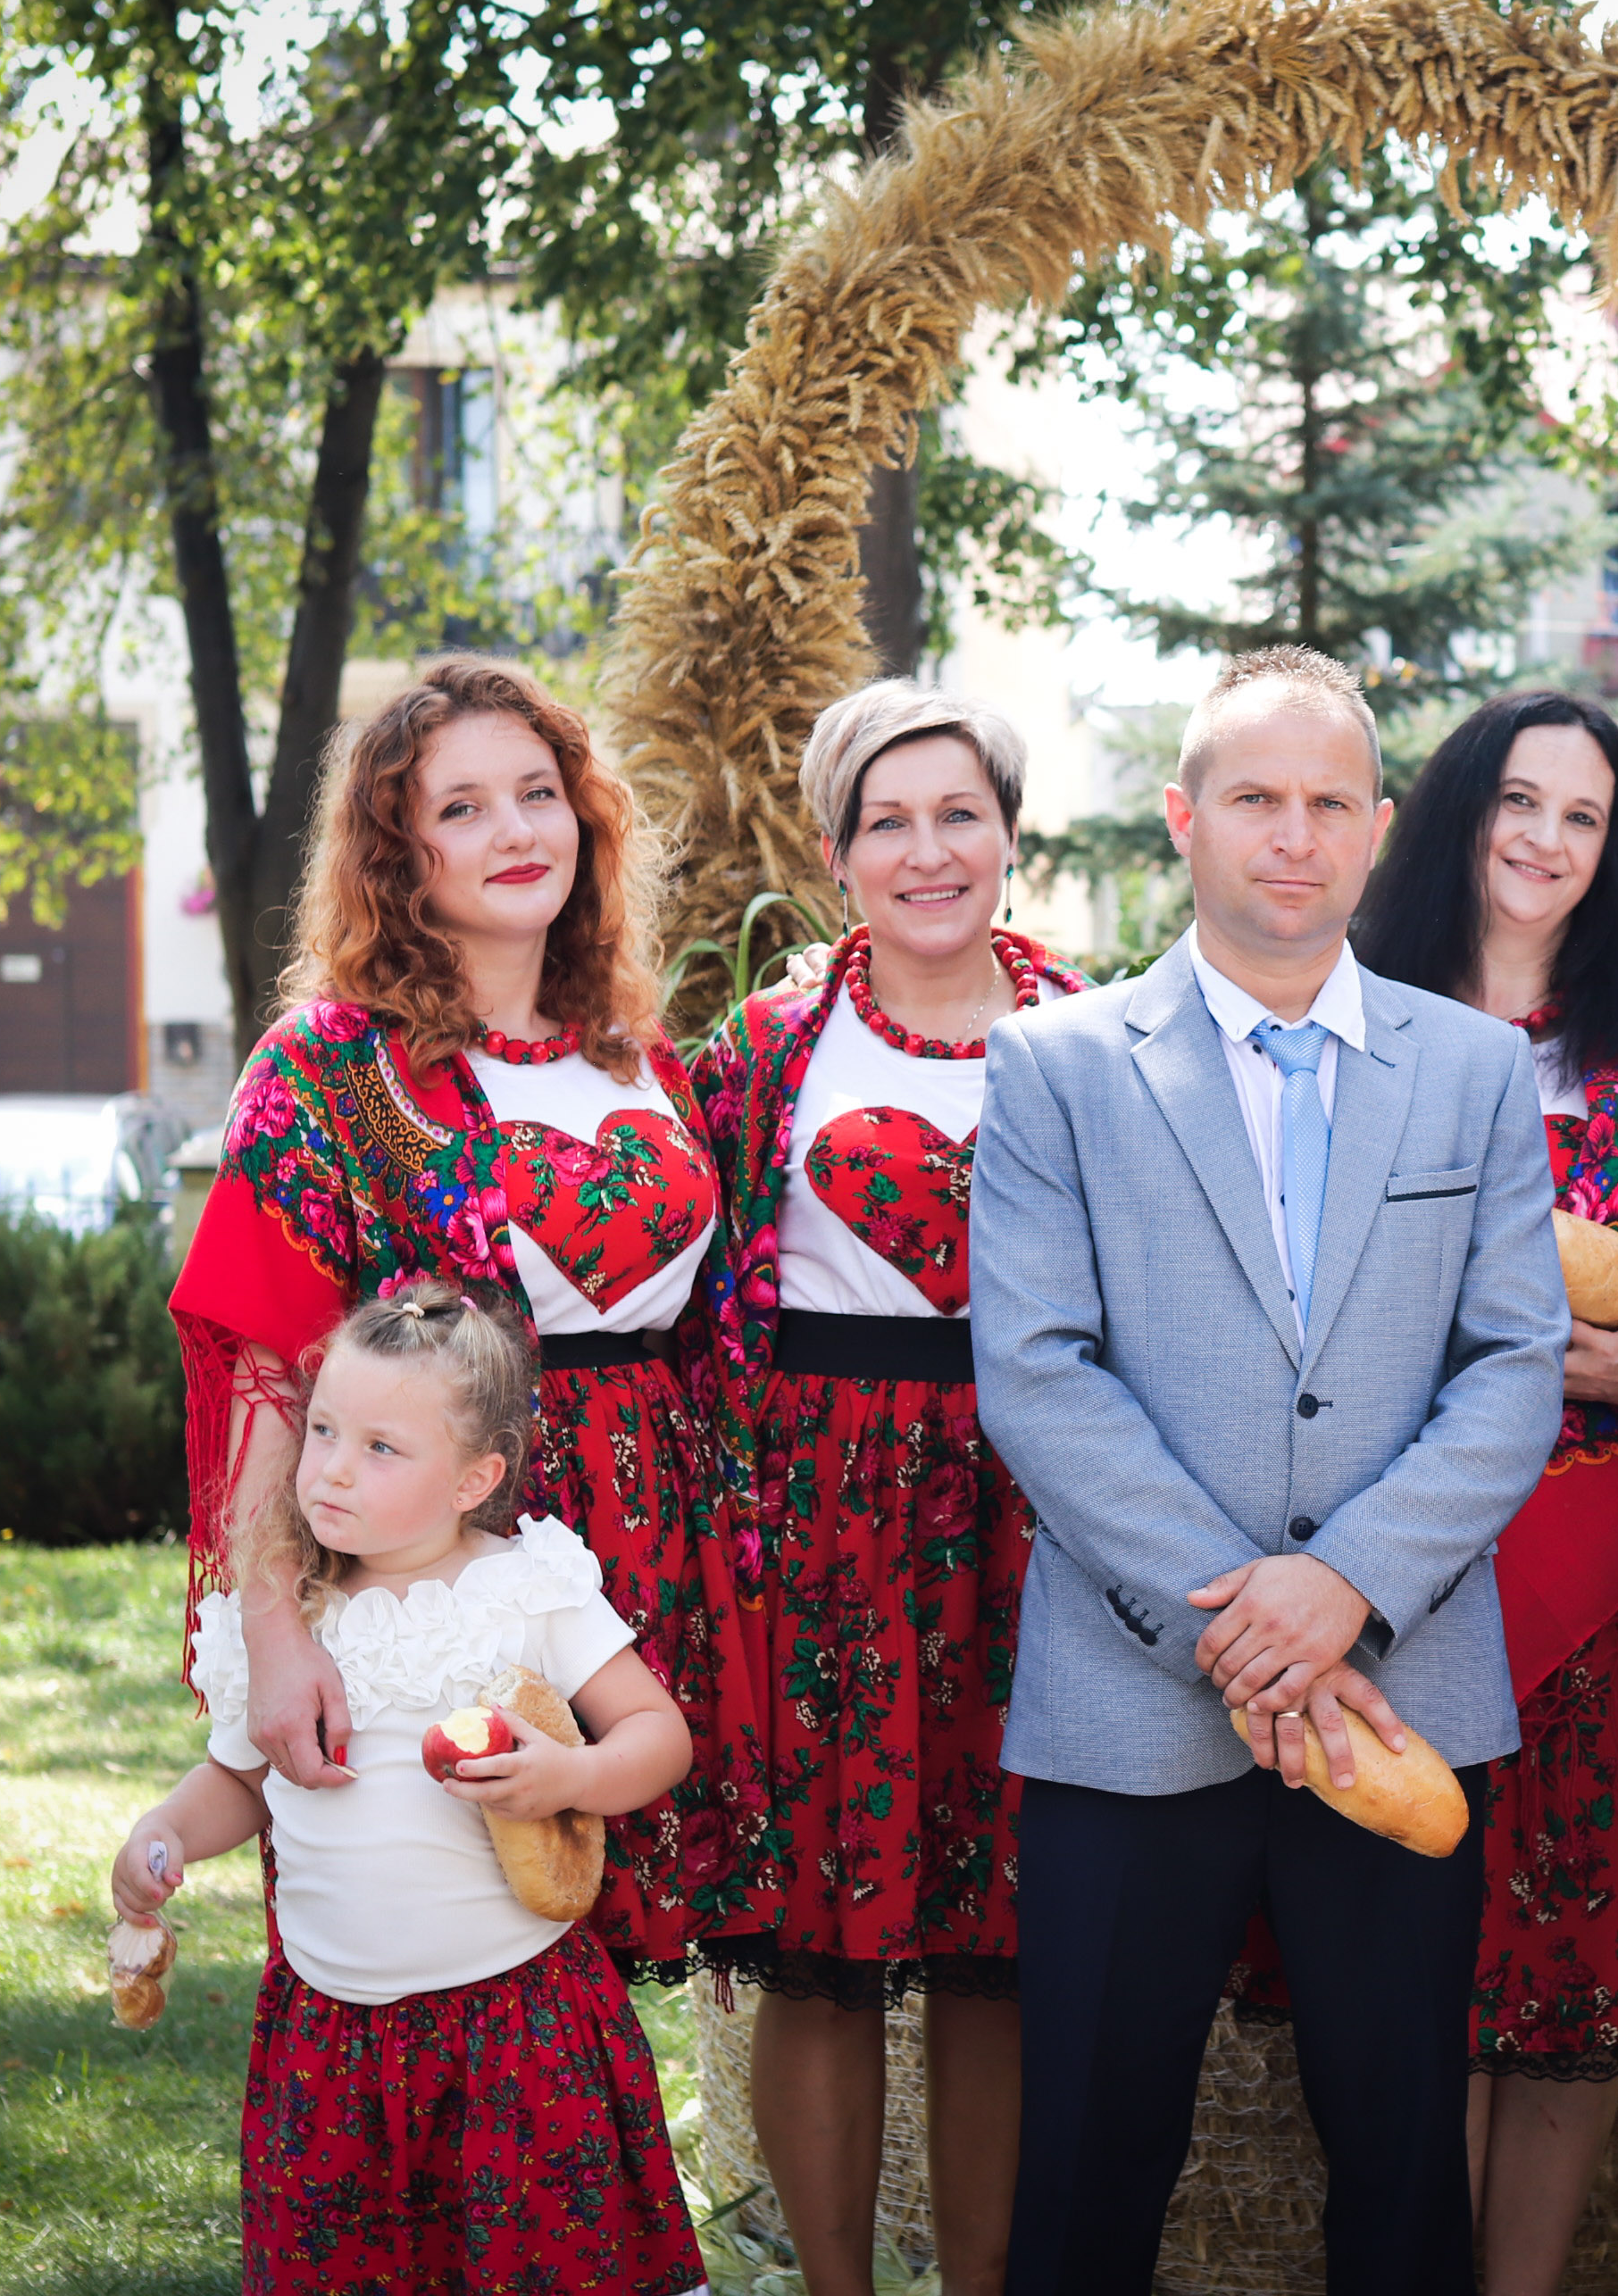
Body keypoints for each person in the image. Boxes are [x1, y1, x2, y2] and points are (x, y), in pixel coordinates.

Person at [970, 644, 1569, 2296]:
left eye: (1327, 802)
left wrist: (1348, 1586)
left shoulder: (1470, 1068)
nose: (1292, 835)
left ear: (1378, 828)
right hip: (1130, 1699)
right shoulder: (1056, 1066)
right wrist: (1243, 1623)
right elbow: (1036, 1371)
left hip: (1400, 1690)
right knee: (1088, 2166)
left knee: (1401, 2167)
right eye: (1253, 798)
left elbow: (1514, 1364)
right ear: (1185, 819)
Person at [171, 656, 756, 1985]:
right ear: (398, 854)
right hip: (442, 1570)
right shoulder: (328, 1069)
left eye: (540, 794)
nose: (516, 831)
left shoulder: (640, 1056)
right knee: (454, 1956)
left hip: (652, 1559)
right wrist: (272, 1632)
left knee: (600, 1971)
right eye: (462, 808)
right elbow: (264, 1371)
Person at [1347, 688, 1618, 2294]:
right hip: (1400, 1558)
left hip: (1603, 1579)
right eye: (1520, 801)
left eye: (1583, 817)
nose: (1544, 840)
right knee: (1417, 1965)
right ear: (1461, 808)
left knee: (1573, 1978)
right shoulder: (1352, 1008)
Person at [688, 680, 1085, 2296]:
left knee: (1001, 1949)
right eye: (889, 823)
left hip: (1039, 1509)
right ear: (837, 852)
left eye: (959, 816)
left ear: (1009, 834)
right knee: (823, 1946)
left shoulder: (1100, 1033)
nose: (929, 853)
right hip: (826, 1519)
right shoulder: (769, 1050)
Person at [114, 1283, 705, 2295]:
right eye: (324, 1431)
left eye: (381, 1447)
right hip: (329, 2044)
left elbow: (661, 1736)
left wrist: (569, 1775)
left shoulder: (524, 1589)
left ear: (476, 1478)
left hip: (513, 2030)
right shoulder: (285, 1624)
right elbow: (241, 1780)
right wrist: (164, 1830)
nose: (334, 1467)